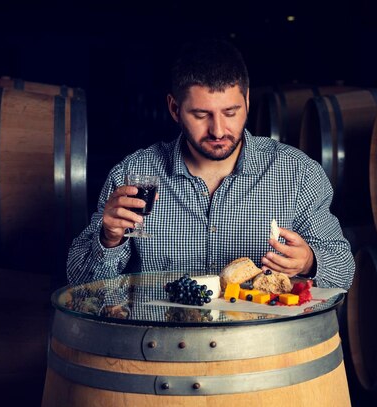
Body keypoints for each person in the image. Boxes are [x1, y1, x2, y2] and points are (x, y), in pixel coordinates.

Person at [67, 38, 355, 290]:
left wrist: (309, 261)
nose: (218, 130)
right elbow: (81, 285)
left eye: (231, 112)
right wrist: (109, 240)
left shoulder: (297, 174)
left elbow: (344, 270)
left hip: (261, 347)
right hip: (159, 346)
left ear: (248, 101)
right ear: (174, 109)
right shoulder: (131, 175)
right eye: (201, 115)